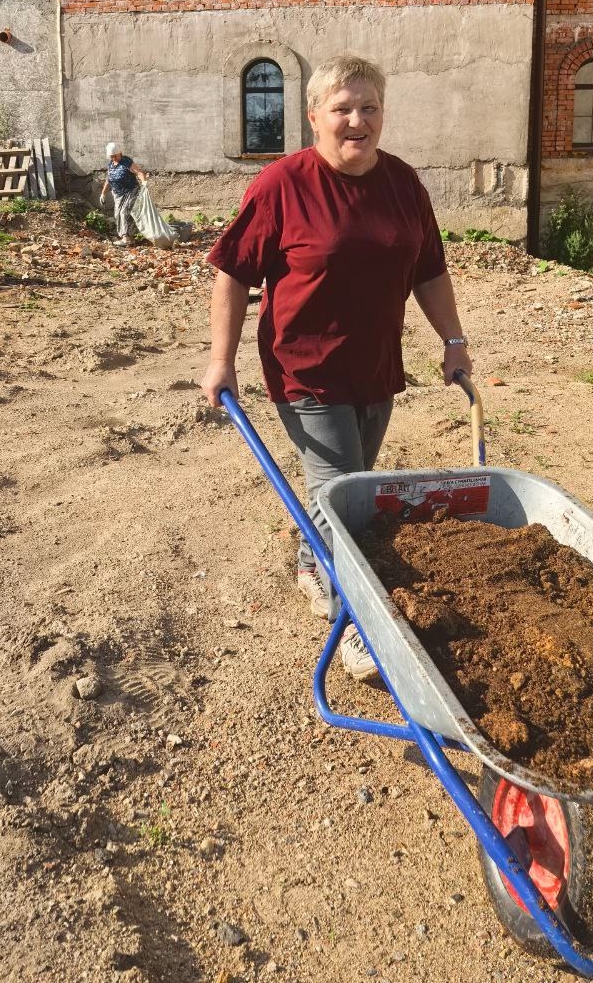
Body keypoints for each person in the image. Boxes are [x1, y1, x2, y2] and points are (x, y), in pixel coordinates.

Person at [199, 55, 472, 680]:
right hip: (306, 368)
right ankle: (353, 625)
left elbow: (429, 269)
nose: (358, 120)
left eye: (369, 107)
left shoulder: (404, 184)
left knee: (350, 481)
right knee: (346, 499)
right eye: (343, 108)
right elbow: (234, 274)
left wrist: (453, 339)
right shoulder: (281, 186)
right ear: (314, 115)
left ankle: (308, 556)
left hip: (376, 364)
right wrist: (222, 360)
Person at [99, 141, 149, 246]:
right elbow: (109, 180)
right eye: (111, 157)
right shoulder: (111, 165)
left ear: (120, 153)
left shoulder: (127, 162)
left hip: (131, 191)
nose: (114, 159)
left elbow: (139, 172)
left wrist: (144, 182)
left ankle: (126, 238)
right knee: (117, 214)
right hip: (117, 194)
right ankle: (126, 237)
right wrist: (103, 194)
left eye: (115, 156)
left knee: (124, 212)